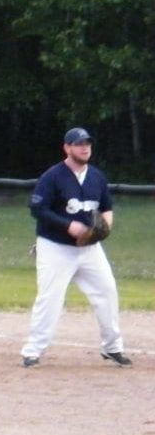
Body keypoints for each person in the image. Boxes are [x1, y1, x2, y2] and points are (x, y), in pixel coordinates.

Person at [20, 127, 131, 368]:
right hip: (55, 247)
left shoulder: (97, 177)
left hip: (89, 249)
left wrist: (105, 227)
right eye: (79, 143)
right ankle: (33, 351)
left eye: (87, 143)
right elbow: (37, 208)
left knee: (107, 292)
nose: (85, 147)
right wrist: (68, 225)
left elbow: (106, 208)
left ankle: (112, 347)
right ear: (67, 148)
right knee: (50, 298)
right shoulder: (52, 176)